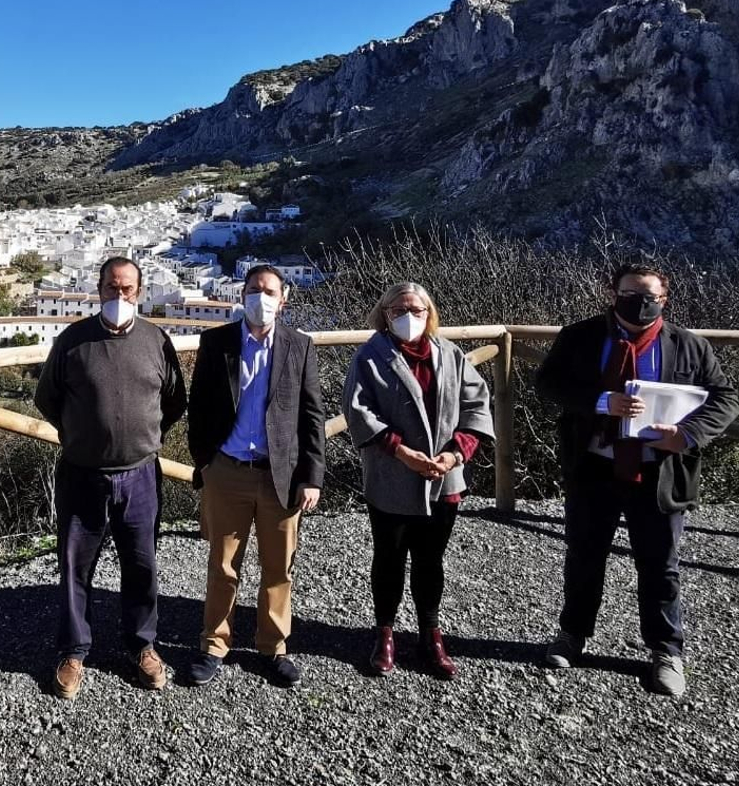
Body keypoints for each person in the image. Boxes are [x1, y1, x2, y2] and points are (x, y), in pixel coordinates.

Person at [535, 262, 739, 697]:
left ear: (665, 299)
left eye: (650, 296)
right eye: (631, 293)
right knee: (585, 555)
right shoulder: (581, 337)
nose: (640, 303)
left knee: (661, 564)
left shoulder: (688, 346)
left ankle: (666, 650)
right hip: (594, 467)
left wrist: (686, 435)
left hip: (659, 472)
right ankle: (572, 634)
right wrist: (600, 401)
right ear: (612, 293)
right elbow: (549, 384)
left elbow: (725, 399)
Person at [34, 256, 187, 699]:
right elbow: (48, 399)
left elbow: (174, 401)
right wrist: (83, 437)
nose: (119, 297)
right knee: (75, 568)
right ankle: (73, 652)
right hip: (82, 476)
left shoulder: (157, 341)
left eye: (128, 290)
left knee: (141, 566)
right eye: (111, 288)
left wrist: (140, 439)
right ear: (97, 289)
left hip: (140, 477)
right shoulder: (72, 340)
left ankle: (142, 645)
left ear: (140, 292)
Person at [183, 264, 327, 688]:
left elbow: (312, 415)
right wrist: (205, 462)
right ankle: (214, 644)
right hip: (226, 470)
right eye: (253, 290)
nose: (259, 298)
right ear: (241, 295)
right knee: (223, 565)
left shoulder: (299, 346)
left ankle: (274, 646)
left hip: (279, 475)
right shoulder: (217, 342)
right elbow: (200, 407)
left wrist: (312, 476)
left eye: (268, 291)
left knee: (279, 566)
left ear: (283, 299)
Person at [342, 282, 493, 679]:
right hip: (392, 475)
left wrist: (456, 452)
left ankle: (431, 632)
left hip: (445, 476)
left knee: (431, 560)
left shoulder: (450, 354)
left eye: (417, 309)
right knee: (388, 559)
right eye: (399, 309)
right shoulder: (370, 356)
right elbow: (359, 410)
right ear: (384, 313)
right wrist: (402, 452)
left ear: (430, 313)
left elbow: (476, 404)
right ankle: (385, 633)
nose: (409, 316)